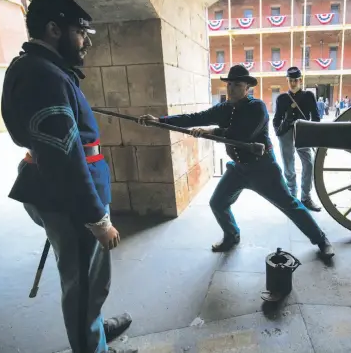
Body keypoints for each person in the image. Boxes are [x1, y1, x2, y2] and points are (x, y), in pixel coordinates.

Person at [1, 0, 135, 353]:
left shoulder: (35, 67)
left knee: (88, 281)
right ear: (53, 29)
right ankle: (90, 343)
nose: (86, 40)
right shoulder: (44, 76)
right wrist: (96, 218)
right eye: (80, 31)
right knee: (83, 286)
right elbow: (64, 158)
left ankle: (94, 329)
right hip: (72, 200)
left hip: (59, 192)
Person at [138, 65, 334, 258]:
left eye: (237, 85)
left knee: (290, 205)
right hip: (238, 169)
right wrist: (159, 121)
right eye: (229, 84)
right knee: (218, 202)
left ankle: (321, 239)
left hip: (263, 168)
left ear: (247, 87)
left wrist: (212, 132)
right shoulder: (224, 108)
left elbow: (241, 134)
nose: (231, 88)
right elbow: (194, 117)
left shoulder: (257, 107)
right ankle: (232, 235)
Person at [273, 67, 322, 212]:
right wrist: (279, 131)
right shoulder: (282, 98)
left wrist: (313, 134)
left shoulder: (308, 96)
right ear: (287, 80)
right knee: (288, 164)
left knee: (308, 164)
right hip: (286, 133)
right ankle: (292, 195)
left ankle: (305, 197)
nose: (293, 83)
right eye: (290, 80)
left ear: (300, 80)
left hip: (303, 132)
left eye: (296, 80)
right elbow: (276, 120)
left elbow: (316, 117)